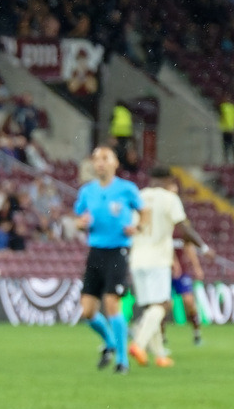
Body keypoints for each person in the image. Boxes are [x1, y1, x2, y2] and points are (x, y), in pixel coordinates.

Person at [128, 167, 211, 368]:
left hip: (137, 257)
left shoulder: (139, 196)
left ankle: (159, 355)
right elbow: (184, 228)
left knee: (151, 307)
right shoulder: (170, 198)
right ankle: (138, 342)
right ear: (168, 180)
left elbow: (130, 227)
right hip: (157, 259)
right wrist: (204, 247)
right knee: (163, 305)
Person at [73, 146, 142, 374]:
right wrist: (81, 223)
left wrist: (138, 226)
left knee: (112, 305)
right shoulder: (87, 191)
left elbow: (144, 212)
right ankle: (111, 342)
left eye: (104, 158)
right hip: (96, 251)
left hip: (118, 251)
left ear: (115, 163)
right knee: (87, 312)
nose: (99, 162)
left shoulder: (126, 189)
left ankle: (122, 361)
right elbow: (78, 218)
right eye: (96, 159)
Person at [171, 232, 205, 346]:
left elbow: (189, 248)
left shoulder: (182, 230)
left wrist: (197, 267)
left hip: (183, 273)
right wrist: (173, 262)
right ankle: (161, 338)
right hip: (165, 272)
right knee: (165, 305)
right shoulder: (163, 226)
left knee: (189, 301)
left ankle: (197, 333)